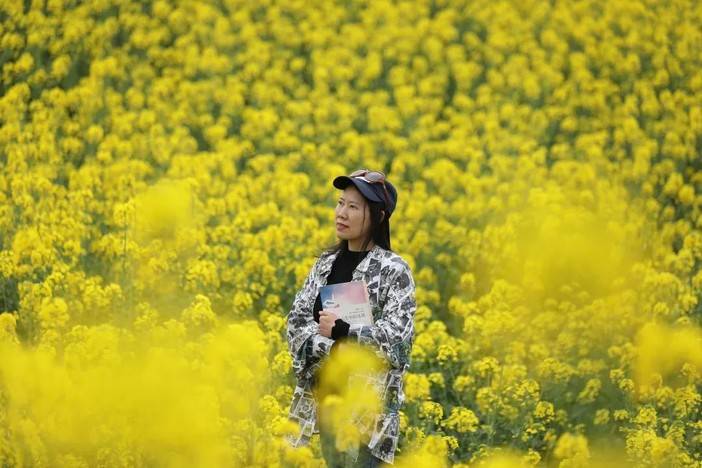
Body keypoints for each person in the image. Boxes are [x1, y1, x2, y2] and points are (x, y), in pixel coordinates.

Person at [285, 169, 417, 467]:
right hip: (325, 404)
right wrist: (334, 349)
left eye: (353, 207)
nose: (341, 213)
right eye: (340, 203)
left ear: (379, 217)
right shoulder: (325, 265)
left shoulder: (394, 270)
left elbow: (399, 342)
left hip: (369, 416)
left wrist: (345, 331)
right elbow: (296, 327)